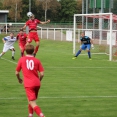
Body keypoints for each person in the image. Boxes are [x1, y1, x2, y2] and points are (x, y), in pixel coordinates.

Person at [15, 44, 45, 117]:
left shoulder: (22, 59)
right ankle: (30, 115)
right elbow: (42, 74)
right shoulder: (37, 60)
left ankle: (42, 115)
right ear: (33, 51)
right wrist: (39, 80)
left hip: (29, 84)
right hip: (37, 83)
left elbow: (16, 72)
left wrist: (19, 79)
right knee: (31, 101)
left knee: (32, 102)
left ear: (25, 51)